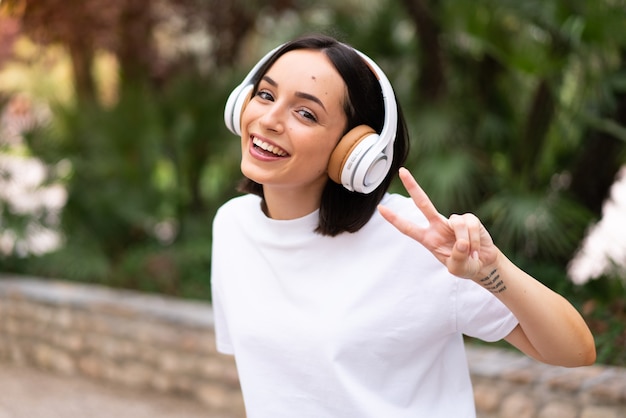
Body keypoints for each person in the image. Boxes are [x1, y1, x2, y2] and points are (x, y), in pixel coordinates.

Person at [211, 33, 596, 418]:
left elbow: (575, 351)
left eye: (306, 113)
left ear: (356, 150)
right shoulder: (231, 226)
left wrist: (491, 271)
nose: (269, 120)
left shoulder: (415, 237)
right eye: (265, 95)